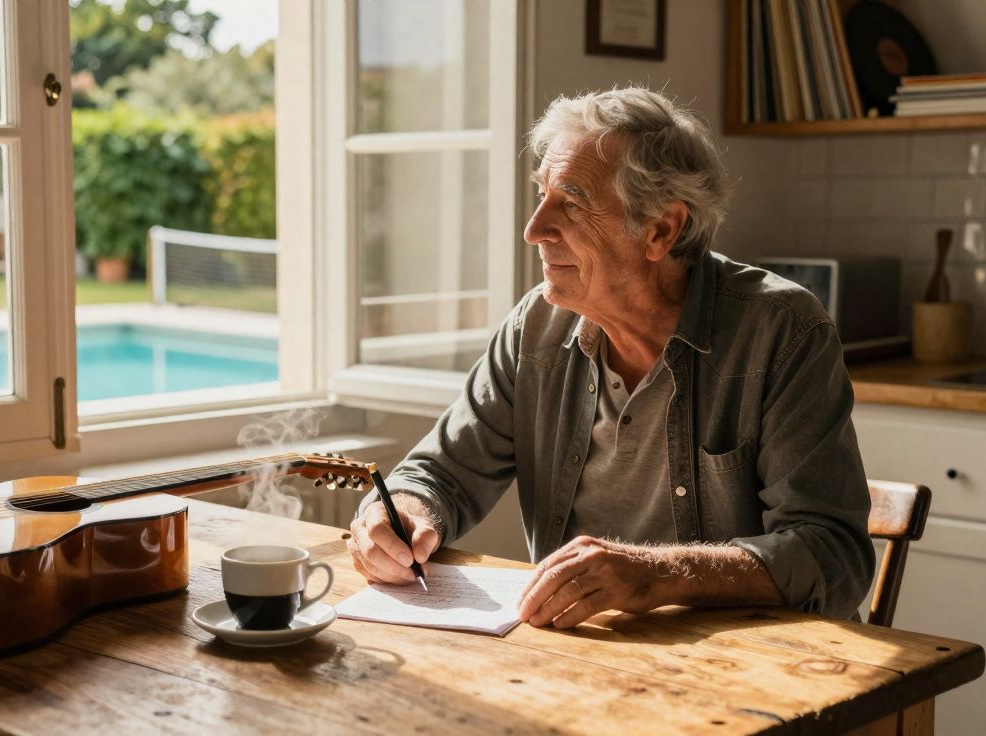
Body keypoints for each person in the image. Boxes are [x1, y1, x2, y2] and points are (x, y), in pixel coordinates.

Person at [346, 87, 875, 627]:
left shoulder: (782, 330)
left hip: (762, 668)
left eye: (572, 203)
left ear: (661, 229)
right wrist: (395, 515)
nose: (534, 230)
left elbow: (833, 555)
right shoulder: (537, 329)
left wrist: (657, 574)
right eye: (541, 195)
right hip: (594, 662)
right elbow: (440, 474)